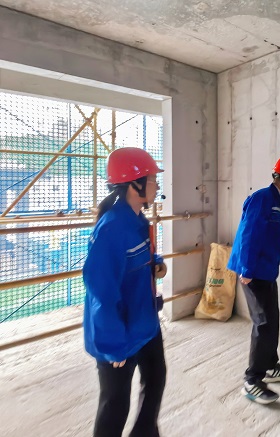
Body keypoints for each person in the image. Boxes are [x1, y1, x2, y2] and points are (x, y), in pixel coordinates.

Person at [83, 147, 168, 437]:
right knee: (115, 405)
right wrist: (112, 344)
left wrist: (156, 263)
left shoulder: (138, 220)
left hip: (145, 322)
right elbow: (101, 292)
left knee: (155, 380)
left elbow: (142, 254)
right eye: (152, 179)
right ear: (135, 185)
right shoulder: (112, 229)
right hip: (119, 332)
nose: (156, 185)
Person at [227, 155, 280, 404]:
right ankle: (252, 380)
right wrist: (246, 269)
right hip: (253, 272)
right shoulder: (262, 199)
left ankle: (270, 366)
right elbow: (248, 234)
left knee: (271, 320)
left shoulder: (279, 204)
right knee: (263, 323)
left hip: (266, 271)